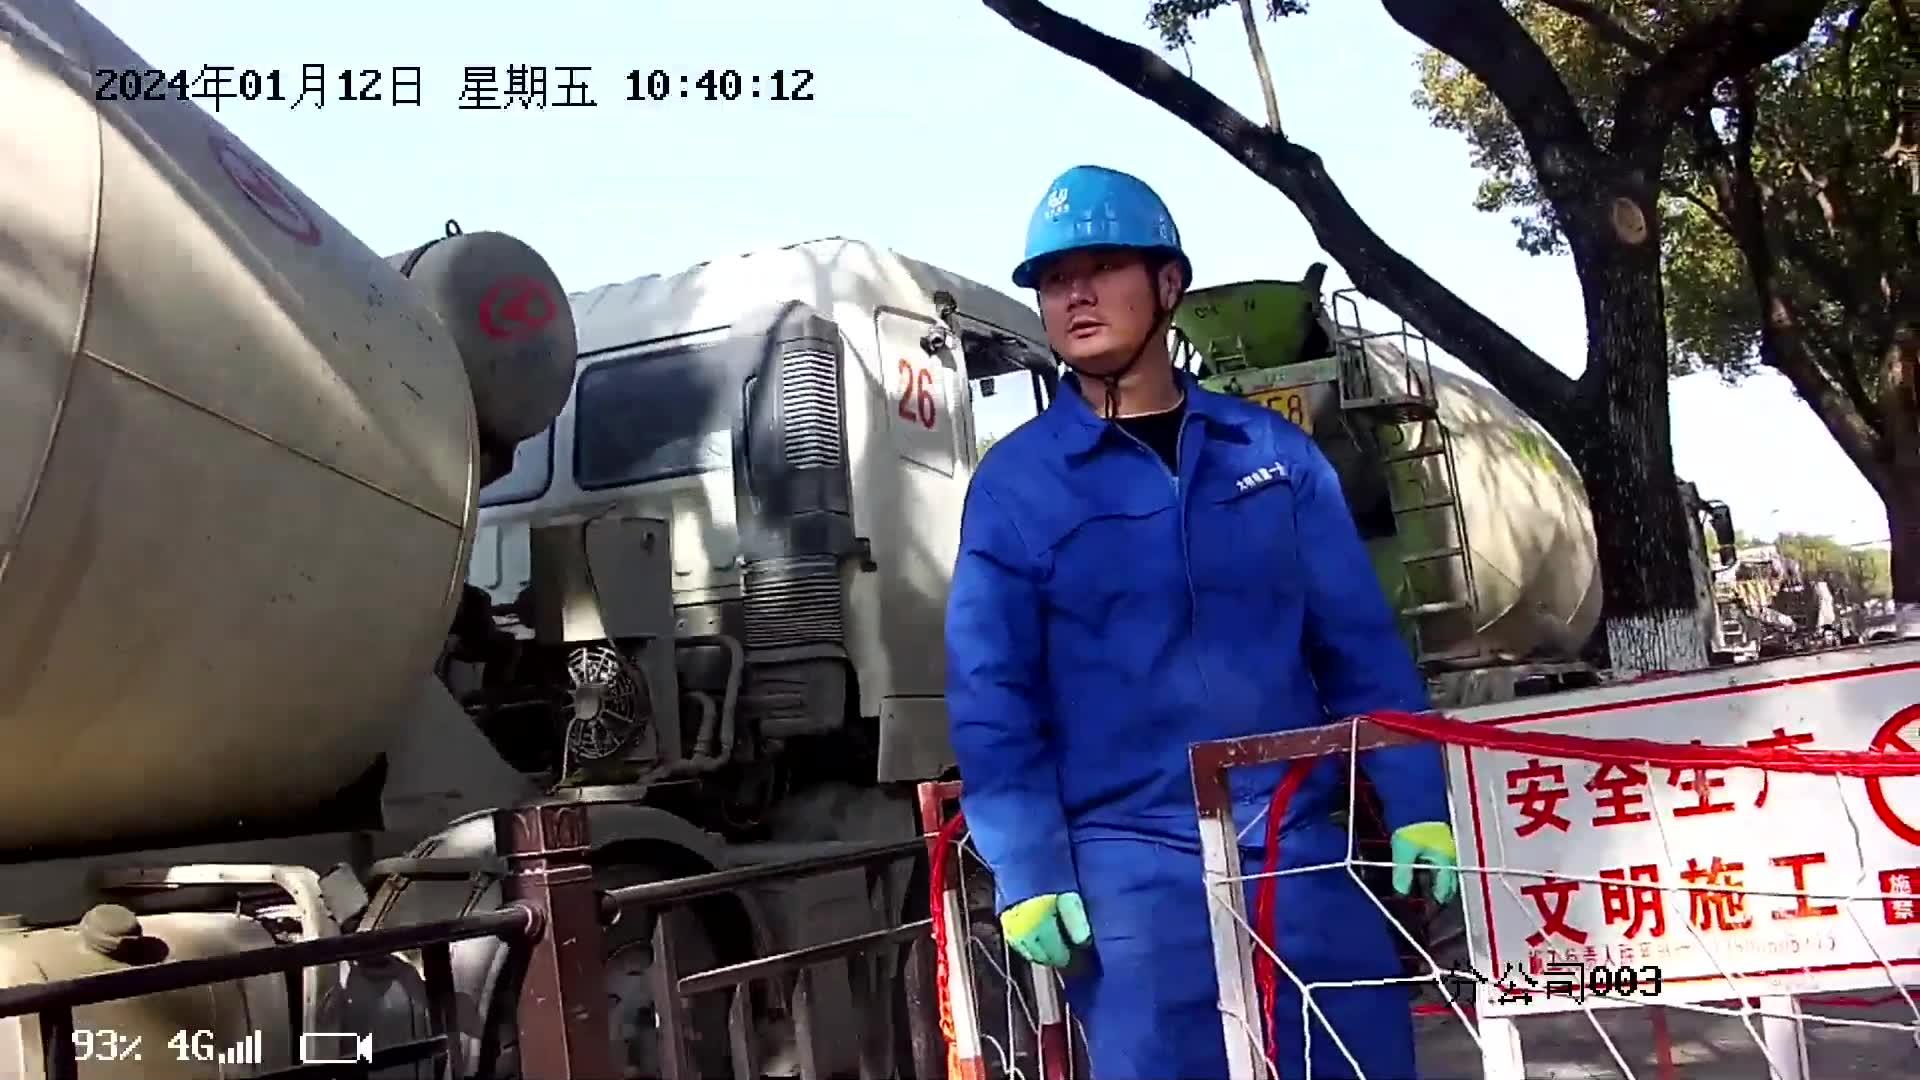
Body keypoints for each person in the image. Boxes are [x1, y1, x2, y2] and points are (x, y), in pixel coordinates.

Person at [944, 164, 1461, 1080]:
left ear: (1168, 283)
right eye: (1055, 280)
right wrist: (1029, 864)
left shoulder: (1270, 454)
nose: (1075, 295)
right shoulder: (1017, 484)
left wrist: (1419, 801)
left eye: (1102, 268)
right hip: (1128, 864)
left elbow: (1360, 647)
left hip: (1295, 839)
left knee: (1361, 1054)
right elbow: (993, 692)